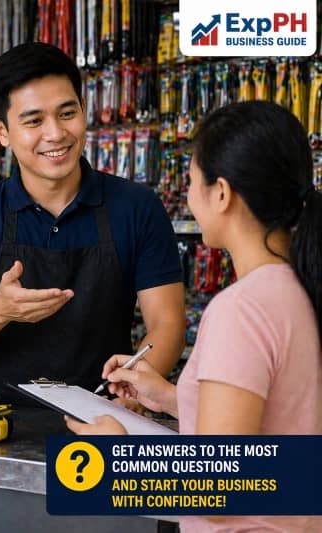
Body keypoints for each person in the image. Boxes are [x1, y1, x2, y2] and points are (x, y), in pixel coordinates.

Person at [67, 101, 322, 532]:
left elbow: (220, 491)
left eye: (191, 182)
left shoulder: (241, 309)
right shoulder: (296, 291)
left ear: (221, 193)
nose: (187, 196)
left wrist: (116, 456)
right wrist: (169, 397)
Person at [0, 43, 185, 401]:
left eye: (67, 113)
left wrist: (133, 388)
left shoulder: (137, 207)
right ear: (1, 131)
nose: (56, 133)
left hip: (106, 416)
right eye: (34, 121)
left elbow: (168, 323)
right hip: (1, 423)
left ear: (83, 109)